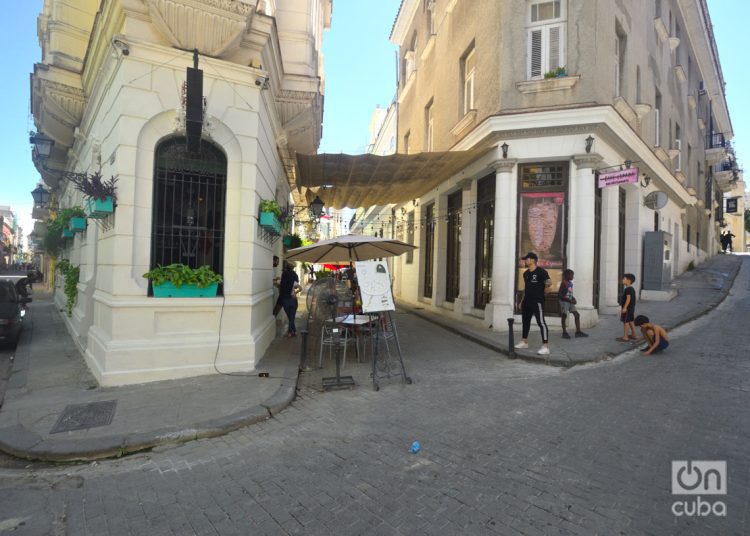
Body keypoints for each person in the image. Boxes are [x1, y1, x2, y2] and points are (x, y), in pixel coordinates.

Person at [515, 252, 552, 355]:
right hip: (527, 302)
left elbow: (549, 284)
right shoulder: (525, 273)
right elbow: (526, 289)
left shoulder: (542, 272)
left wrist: (544, 292)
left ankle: (545, 346)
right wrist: (521, 301)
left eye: (527, 259)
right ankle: (524, 341)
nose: (525, 261)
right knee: (525, 322)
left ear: (532, 260)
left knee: (541, 323)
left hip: (537, 302)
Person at [558, 269, 588, 339]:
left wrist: (573, 298)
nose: (573, 277)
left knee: (577, 315)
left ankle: (578, 332)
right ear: (567, 275)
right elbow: (560, 295)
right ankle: (564, 332)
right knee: (564, 316)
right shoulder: (564, 283)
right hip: (564, 302)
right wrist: (569, 300)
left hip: (570, 301)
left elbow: (569, 293)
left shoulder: (570, 283)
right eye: (571, 275)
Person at [279, 262, 301, 337]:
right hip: (292, 299)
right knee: (292, 317)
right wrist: (295, 293)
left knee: (290, 317)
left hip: (285, 299)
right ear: (293, 268)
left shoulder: (283, 276)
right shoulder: (294, 277)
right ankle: (292, 331)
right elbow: (300, 288)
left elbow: (280, 286)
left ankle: (291, 331)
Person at [617, 273, 638, 342]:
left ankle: (625, 337)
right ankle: (634, 335)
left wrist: (625, 308)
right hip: (631, 308)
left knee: (626, 322)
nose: (622, 280)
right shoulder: (631, 289)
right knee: (631, 321)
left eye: (624, 279)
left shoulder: (628, 289)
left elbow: (628, 299)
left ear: (629, 281)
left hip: (628, 309)